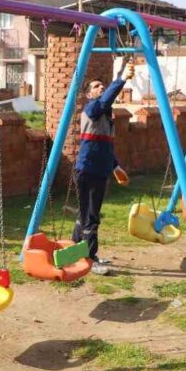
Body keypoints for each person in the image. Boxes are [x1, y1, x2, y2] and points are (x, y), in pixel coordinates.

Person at [72, 61, 134, 276]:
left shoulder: (105, 118)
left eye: (102, 85)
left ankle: (75, 250)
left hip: (98, 170)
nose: (101, 89)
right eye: (97, 87)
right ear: (89, 94)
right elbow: (107, 98)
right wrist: (122, 78)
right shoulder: (92, 109)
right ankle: (89, 258)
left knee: (86, 213)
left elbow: (104, 147)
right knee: (91, 216)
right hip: (88, 170)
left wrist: (116, 167)